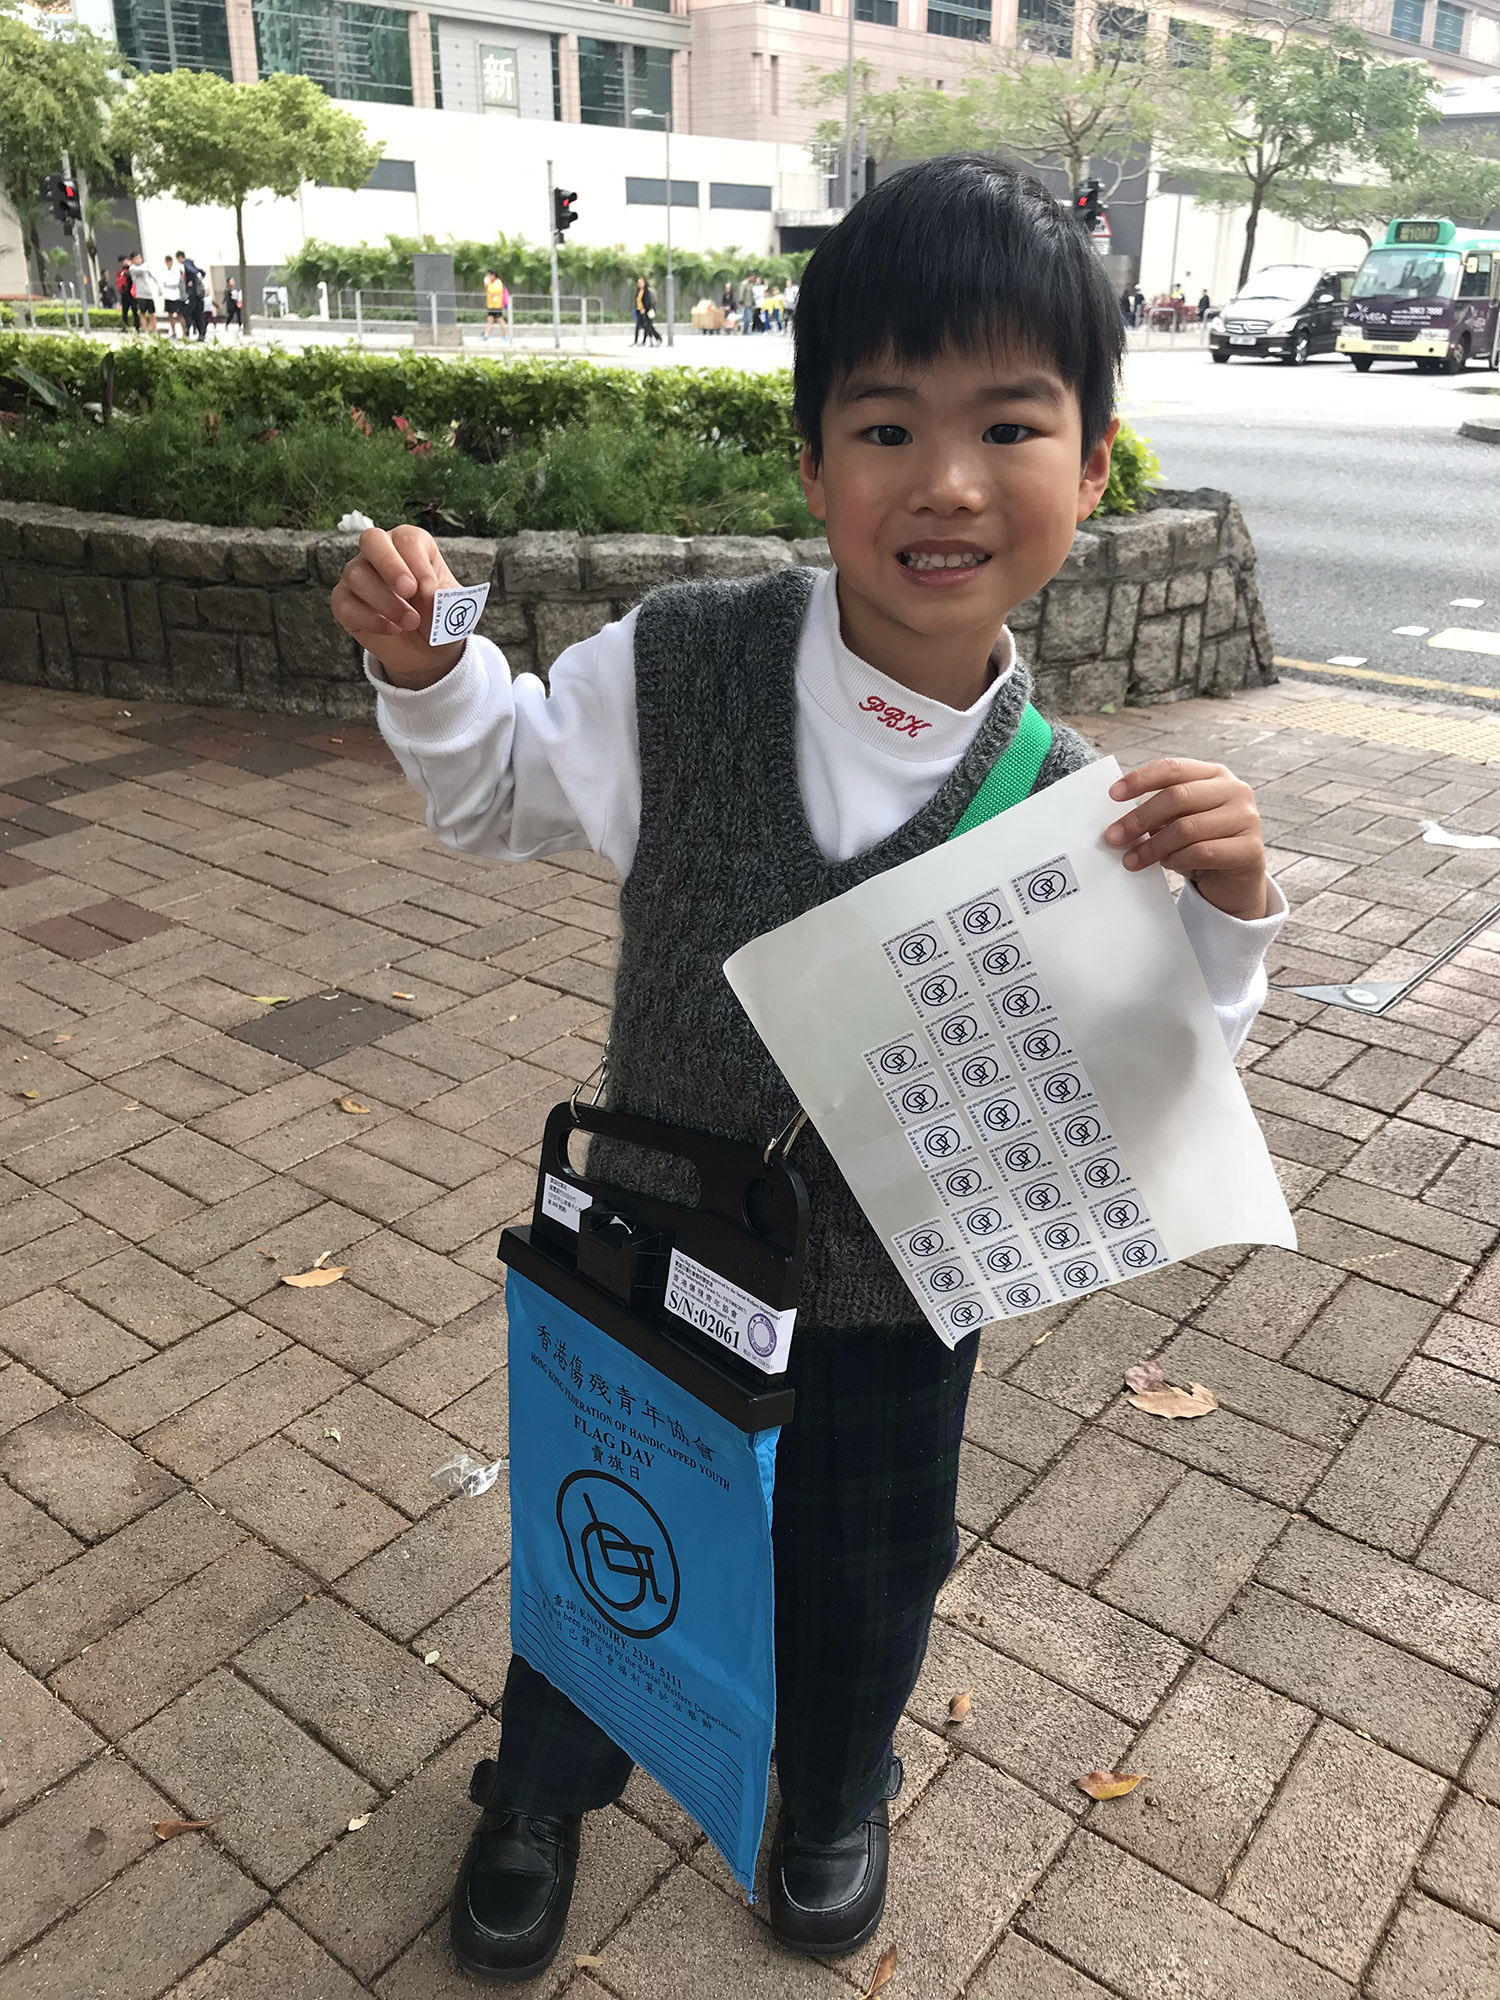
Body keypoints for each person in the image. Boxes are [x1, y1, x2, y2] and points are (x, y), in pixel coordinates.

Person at [330, 155, 1284, 1984]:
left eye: (1010, 425)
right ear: (811, 462)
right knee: (610, 1533)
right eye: (885, 425)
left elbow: (1138, 1080)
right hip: (648, 1255)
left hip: (897, 1304)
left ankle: (834, 1792)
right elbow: (501, 789)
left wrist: (1233, 913)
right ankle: (543, 1790)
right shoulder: (679, 669)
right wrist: (434, 671)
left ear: (1092, 467)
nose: (946, 481)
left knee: (865, 1579)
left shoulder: (1078, 813)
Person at [177, 251, 206, 339]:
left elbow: (190, 276)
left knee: (190, 313)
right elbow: (202, 273)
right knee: (198, 314)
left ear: (180, 257)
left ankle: (189, 331)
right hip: (199, 295)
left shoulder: (187, 265)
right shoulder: (193, 266)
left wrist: (190, 282)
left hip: (193, 295)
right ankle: (201, 333)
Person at [131, 252, 161, 337]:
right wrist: (146, 266)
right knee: (142, 313)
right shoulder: (133, 268)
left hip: (149, 294)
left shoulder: (145, 267)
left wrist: (159, 288)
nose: (139, 260)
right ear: (133, 260)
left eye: (140, 258)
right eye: (137, 258)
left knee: (152, 313)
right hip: (140, 294)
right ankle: (146, 331)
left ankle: (155, 330)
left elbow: (153, 276)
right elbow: (141, 270)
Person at [160, 254, 185, 338]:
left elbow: (175, 282)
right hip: (167, 296)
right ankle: (174, 332)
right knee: (170, 315)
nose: (168, 263)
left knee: (179, 314)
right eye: (167, 262)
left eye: (169, 261)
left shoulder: (176, 270)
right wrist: (166, 283)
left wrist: (167, 283)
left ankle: (184, 333)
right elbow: (162, 281)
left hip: (176, 295)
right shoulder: (163, 270)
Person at [483, 268, 508, 340]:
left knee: (500, 320)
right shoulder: (490, 283)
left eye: (489, 275)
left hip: (496, 305)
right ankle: (486, 335)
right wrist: (486, 285)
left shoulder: (498, 282)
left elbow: (493, 291)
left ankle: (506, 335)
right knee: (489, 320)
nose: (488, 277)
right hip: (491, 305)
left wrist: (487, 284)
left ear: (493, 275)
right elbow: (486, 291)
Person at [115, 258, 139, 334]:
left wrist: (130, 266)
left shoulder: (133, 269)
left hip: (132, 293)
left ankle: (137, 327)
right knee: (124, 311)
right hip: (125, 293)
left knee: (135, 310)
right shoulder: (122, 271)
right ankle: (125, 326)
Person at [637, 276, 662, 346]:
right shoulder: (639, 291)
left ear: (644, 283)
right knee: (646, 327)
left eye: (640, 283)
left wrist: (645, 308)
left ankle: (658, 338)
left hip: (647, 311)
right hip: (641, 311)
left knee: (649, 327)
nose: (638, 284)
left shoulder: (647, 291)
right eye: (638, 283)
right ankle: (649, 341)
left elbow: (649, 302)